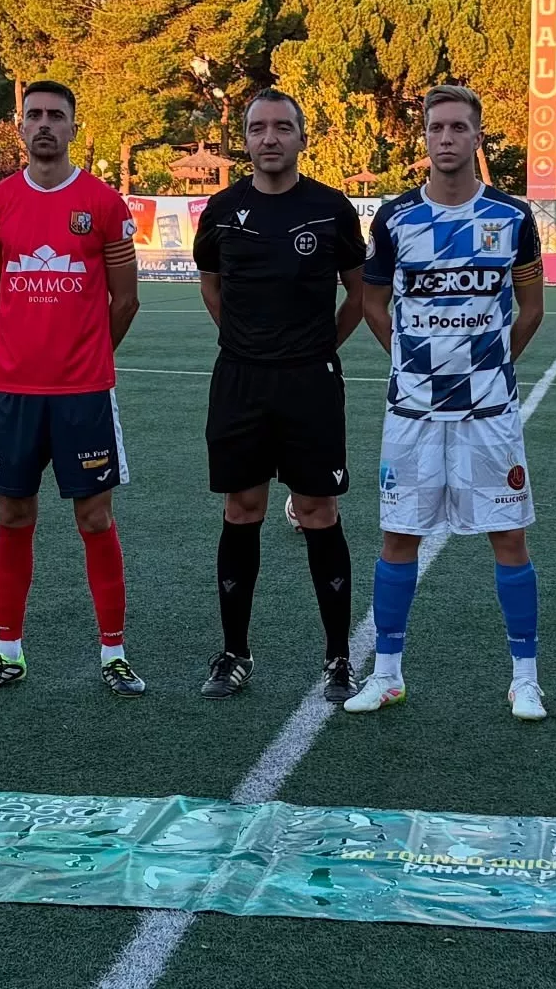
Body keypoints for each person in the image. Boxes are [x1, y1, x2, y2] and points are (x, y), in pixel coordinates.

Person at [344, 84, 547, 720]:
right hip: (414, 411)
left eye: (459, 127)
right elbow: (373, 303)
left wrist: (492, 365)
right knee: (398, 535)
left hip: (490, 410)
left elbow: (532, 308)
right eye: (437, 128)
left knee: (508, 536)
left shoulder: (513, 217)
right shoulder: (395, 219)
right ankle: (387, 674)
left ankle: (525, 679)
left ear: (478, 137)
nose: (447, 138)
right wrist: (411, 362)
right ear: (425, 137)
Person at [0, 81, 145, 697]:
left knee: (94, 517)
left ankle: (114, 654)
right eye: (33, 115)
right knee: (13, 514)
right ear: (20, 127)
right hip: (13, 390)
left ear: (72, 128)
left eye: (55, 116)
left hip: (84, 391)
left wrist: (84, 355)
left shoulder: (103, 203)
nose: (43, 124)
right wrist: (26, 347)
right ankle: (8, 652)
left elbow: (125, 301)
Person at [192, 88, 367, 703]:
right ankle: (234, 653)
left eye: (282, 127)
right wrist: (244, 342)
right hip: (240, 380)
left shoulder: (330, 209)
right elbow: (211, 285)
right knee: (242, 508)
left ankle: (339, 658)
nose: (270, 138)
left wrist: (319, 347)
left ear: (301, 137)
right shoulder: (221, 210)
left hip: (309, 382)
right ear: (245, 138)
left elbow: (359, 292)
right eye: (258, 128)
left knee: (318, 510)